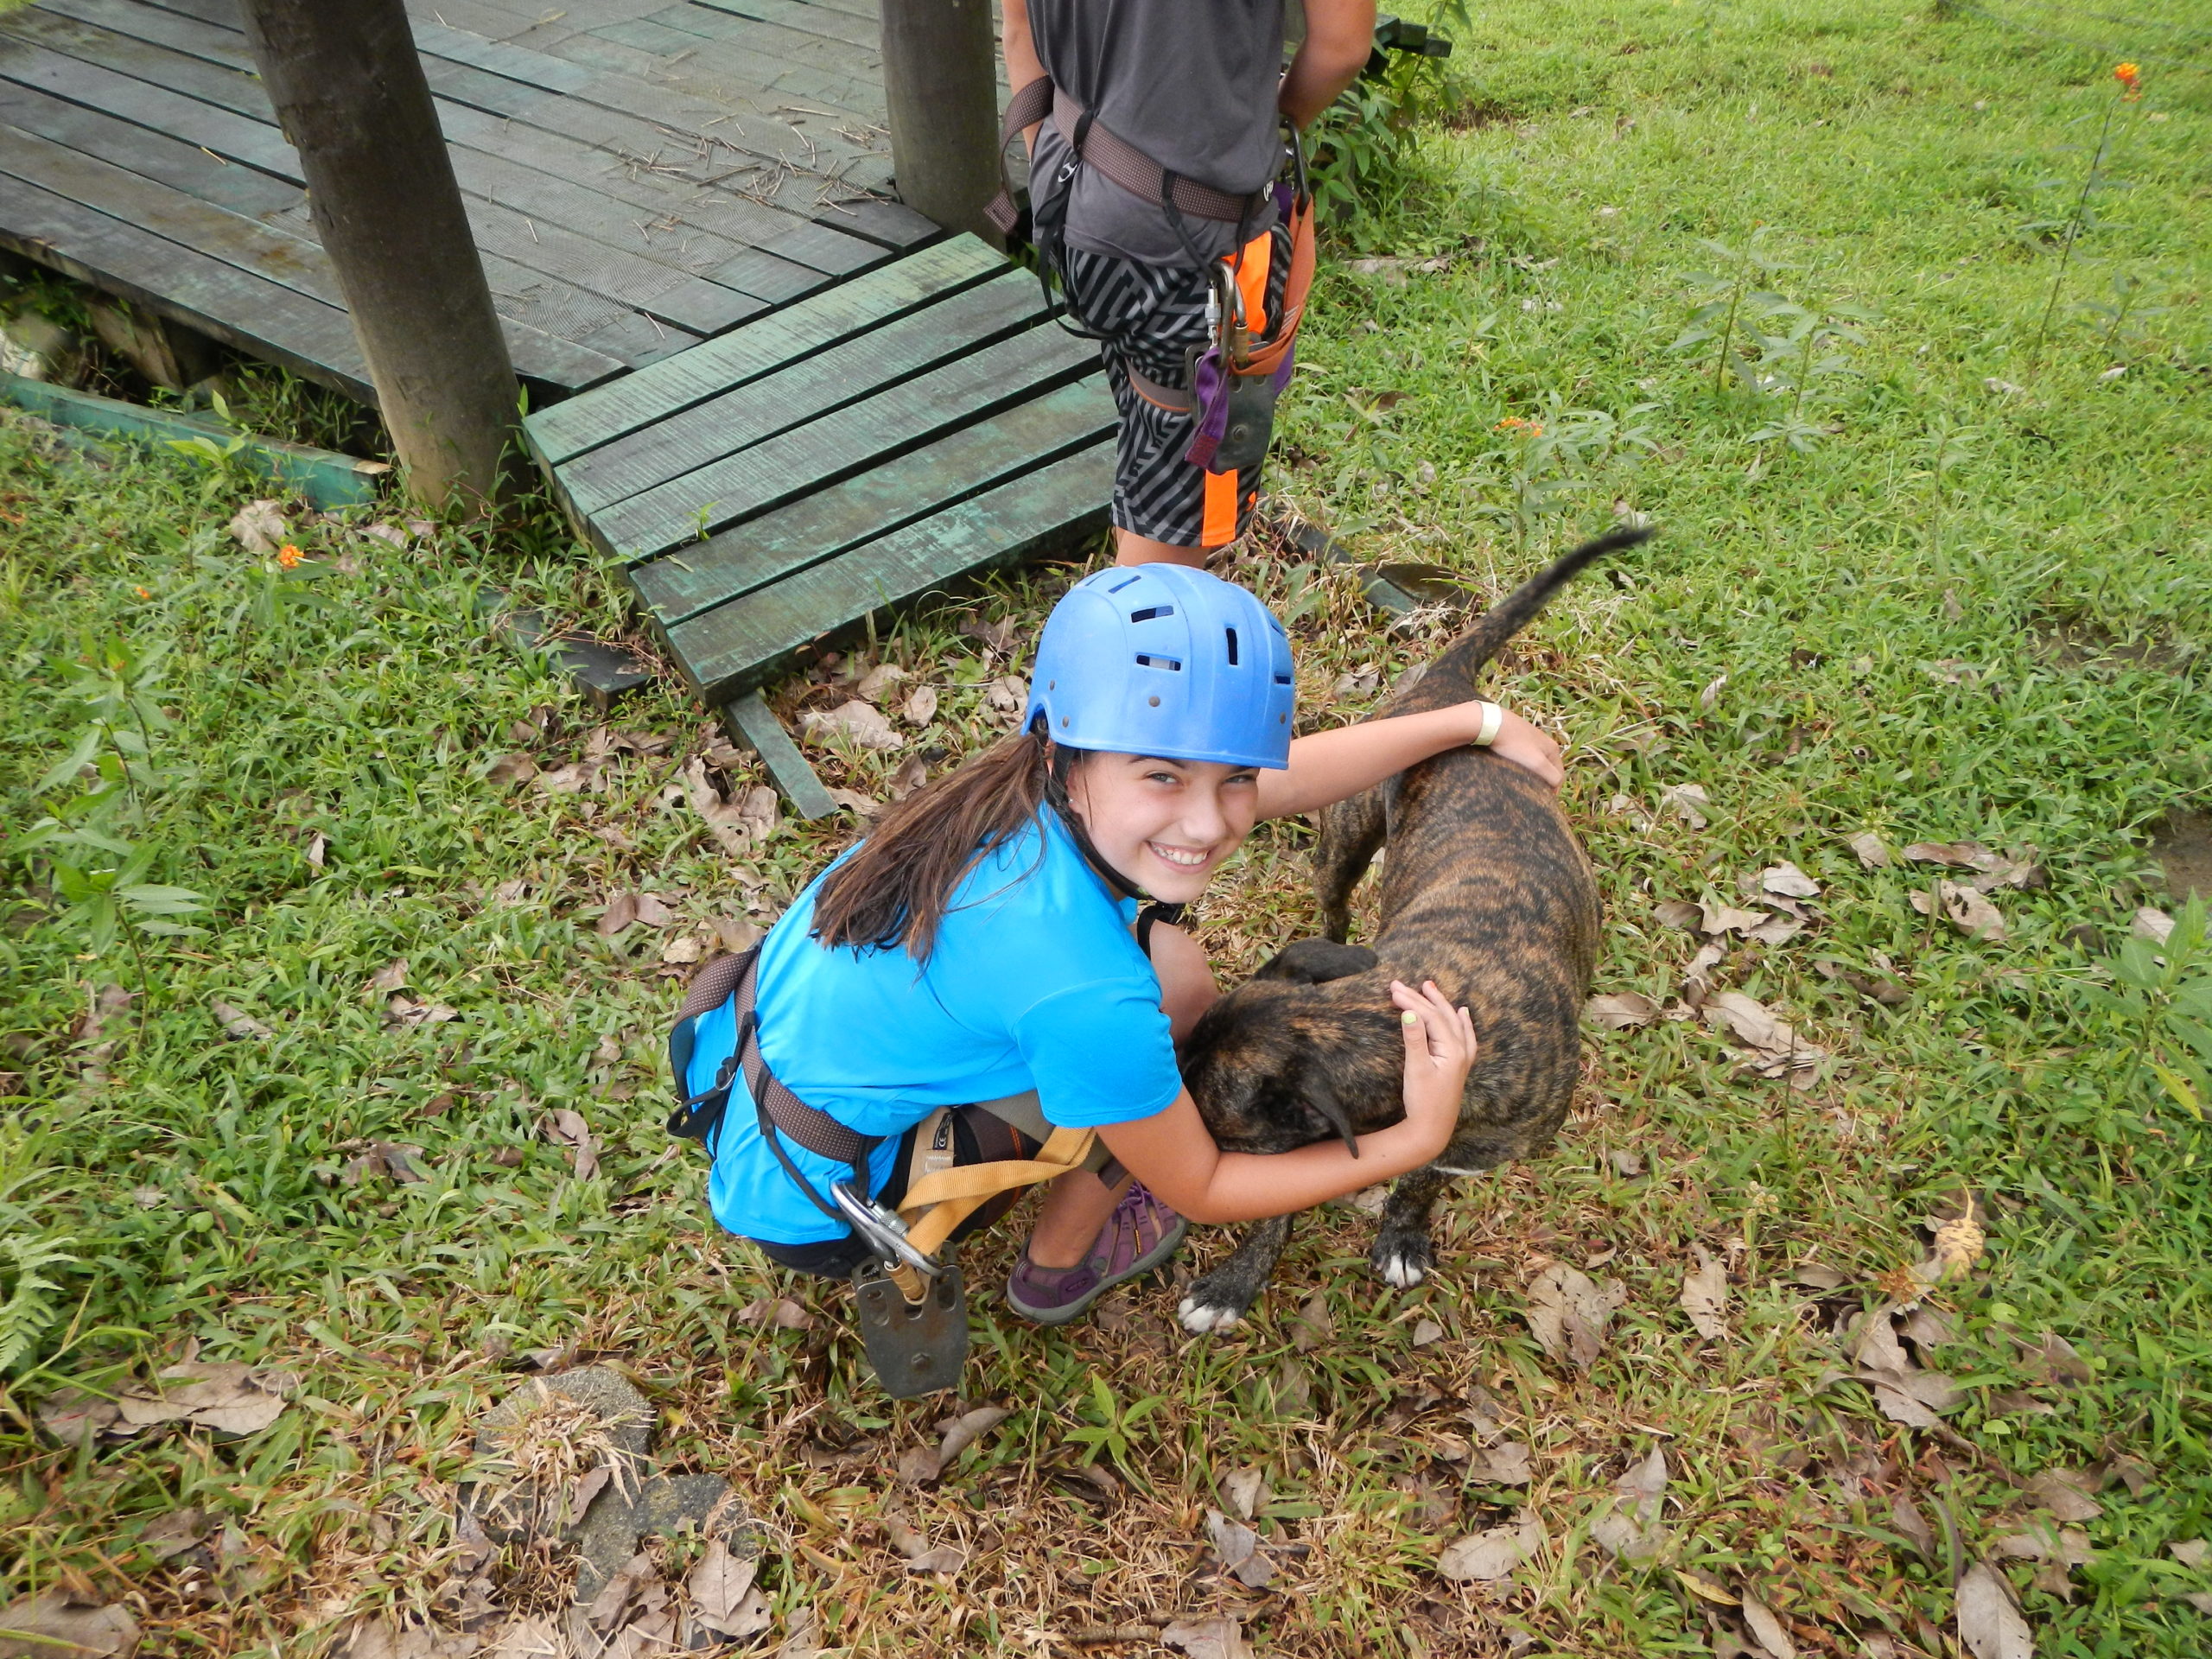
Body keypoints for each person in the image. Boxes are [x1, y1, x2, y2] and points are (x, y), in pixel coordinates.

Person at [674, 564, 1564, 1325]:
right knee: (1150, 1051)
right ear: (1069, 755)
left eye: (1235, 779)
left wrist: (1469, 723)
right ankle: (1059, 1264)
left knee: (1175, 975)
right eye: (1164, 776)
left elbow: (1280, 778)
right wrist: (1419, 1137)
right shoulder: (1082, 989)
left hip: (740, 1069)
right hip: (818, 1200)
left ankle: (1071, 1151)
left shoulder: (1017, 788)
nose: (1209, 822)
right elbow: (1204, 1188)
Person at [999, 0, 1377, 568]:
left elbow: (1019, 28)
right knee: (1176, 521)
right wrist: (1267, 123)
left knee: (1150, 441)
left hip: (1075, 203)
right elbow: (1342, 47)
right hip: (1195, 238)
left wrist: (1056, 167)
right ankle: (1121, 650)